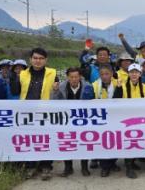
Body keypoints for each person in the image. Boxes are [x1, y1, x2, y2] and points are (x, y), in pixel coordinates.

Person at [9, 47, 59, 180]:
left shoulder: (53, 73)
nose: (38, 61)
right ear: (30, 59)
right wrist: (13, 77)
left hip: (46, 112)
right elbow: (15, 91)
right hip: (27, 113)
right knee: (29, 139)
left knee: (45, 139)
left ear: (46, 60)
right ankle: (30, 166)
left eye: (41, 58)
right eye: (35, 58)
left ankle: (46, 166)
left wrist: (56, 89)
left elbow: (57, 92)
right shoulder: (22, 74)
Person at [53, 67, 95, 177]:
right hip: (66, 120)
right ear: (67, 77)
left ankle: (84, 167)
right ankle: (68, 168)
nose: (74, 79)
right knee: (67, 142)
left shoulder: (88, 86)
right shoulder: (61, 87)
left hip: (83, 119)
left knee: (84, 143)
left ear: (80, 77)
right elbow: (54, 103)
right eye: (71, 77)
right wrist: (55, 91)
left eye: (76, 77)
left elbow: (93, 103)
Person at [115, 63, 145, 178]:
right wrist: (118, 88)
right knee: (128, 142)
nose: (134, 74)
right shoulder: (122, 86)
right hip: (126, 121)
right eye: (132, 72)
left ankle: (133, 162)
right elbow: (115, 102)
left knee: (136, 142)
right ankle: (128, 167)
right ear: (128, 74)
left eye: (136, 72)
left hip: (140, 120)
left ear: (140, 74)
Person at [92, 64, 122, 177]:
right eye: (102, 74)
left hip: (115, 118)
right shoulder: (95, 85)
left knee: (115, 142)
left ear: (112, 74)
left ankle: (112, 163)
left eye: (107, 74)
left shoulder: (118, 83)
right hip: (100, 118)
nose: (104, 76)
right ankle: (104, 167)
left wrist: (119, 88)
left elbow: (121, 101)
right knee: (103, 143)